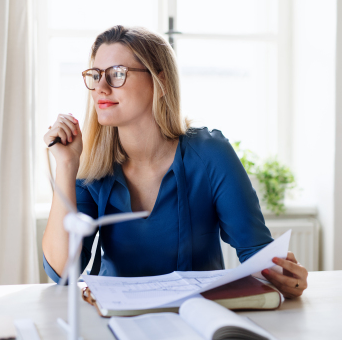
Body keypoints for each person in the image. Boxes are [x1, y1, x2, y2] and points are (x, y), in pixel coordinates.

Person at [42, 25, 308, 299]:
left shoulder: (211, 155)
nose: (101, 87)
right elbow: (62, 272)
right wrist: (66, 164)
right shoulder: (92, 167)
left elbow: (256, 254)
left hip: (197, 319)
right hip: (113, 319)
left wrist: (286, 278)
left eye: (118, 74)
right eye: (96, 75)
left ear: (161, 82)